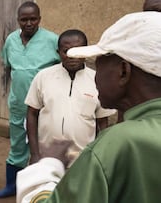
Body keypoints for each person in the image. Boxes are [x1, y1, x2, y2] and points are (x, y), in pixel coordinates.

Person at [17, 11, 161, 203]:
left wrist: (45, 168)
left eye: (99, 63)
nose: (95, 76)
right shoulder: (44, 77)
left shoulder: (117, 145)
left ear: (123, 71)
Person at [0, 1, 60, 198]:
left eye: (33, 19)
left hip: (44, 106)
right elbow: (8, 66)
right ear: (18, 20)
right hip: (19, 104)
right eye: (24, 19)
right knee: (17, 145)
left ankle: (46, 190)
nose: (29, 23)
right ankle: (11, 186)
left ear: (39, 19)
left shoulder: (52, 40)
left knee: (45, 145)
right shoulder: (11, 40)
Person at [25, 29, 115, 167]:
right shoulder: (43, 77)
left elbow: (102, 123)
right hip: (47, 158)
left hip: (83, 160)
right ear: (58, 53)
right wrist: (35, 153)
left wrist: (98, 155)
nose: (72, 56)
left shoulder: (97, 80)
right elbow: (31, 113)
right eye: (66, 51)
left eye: (77, 50)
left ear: (85, 52)